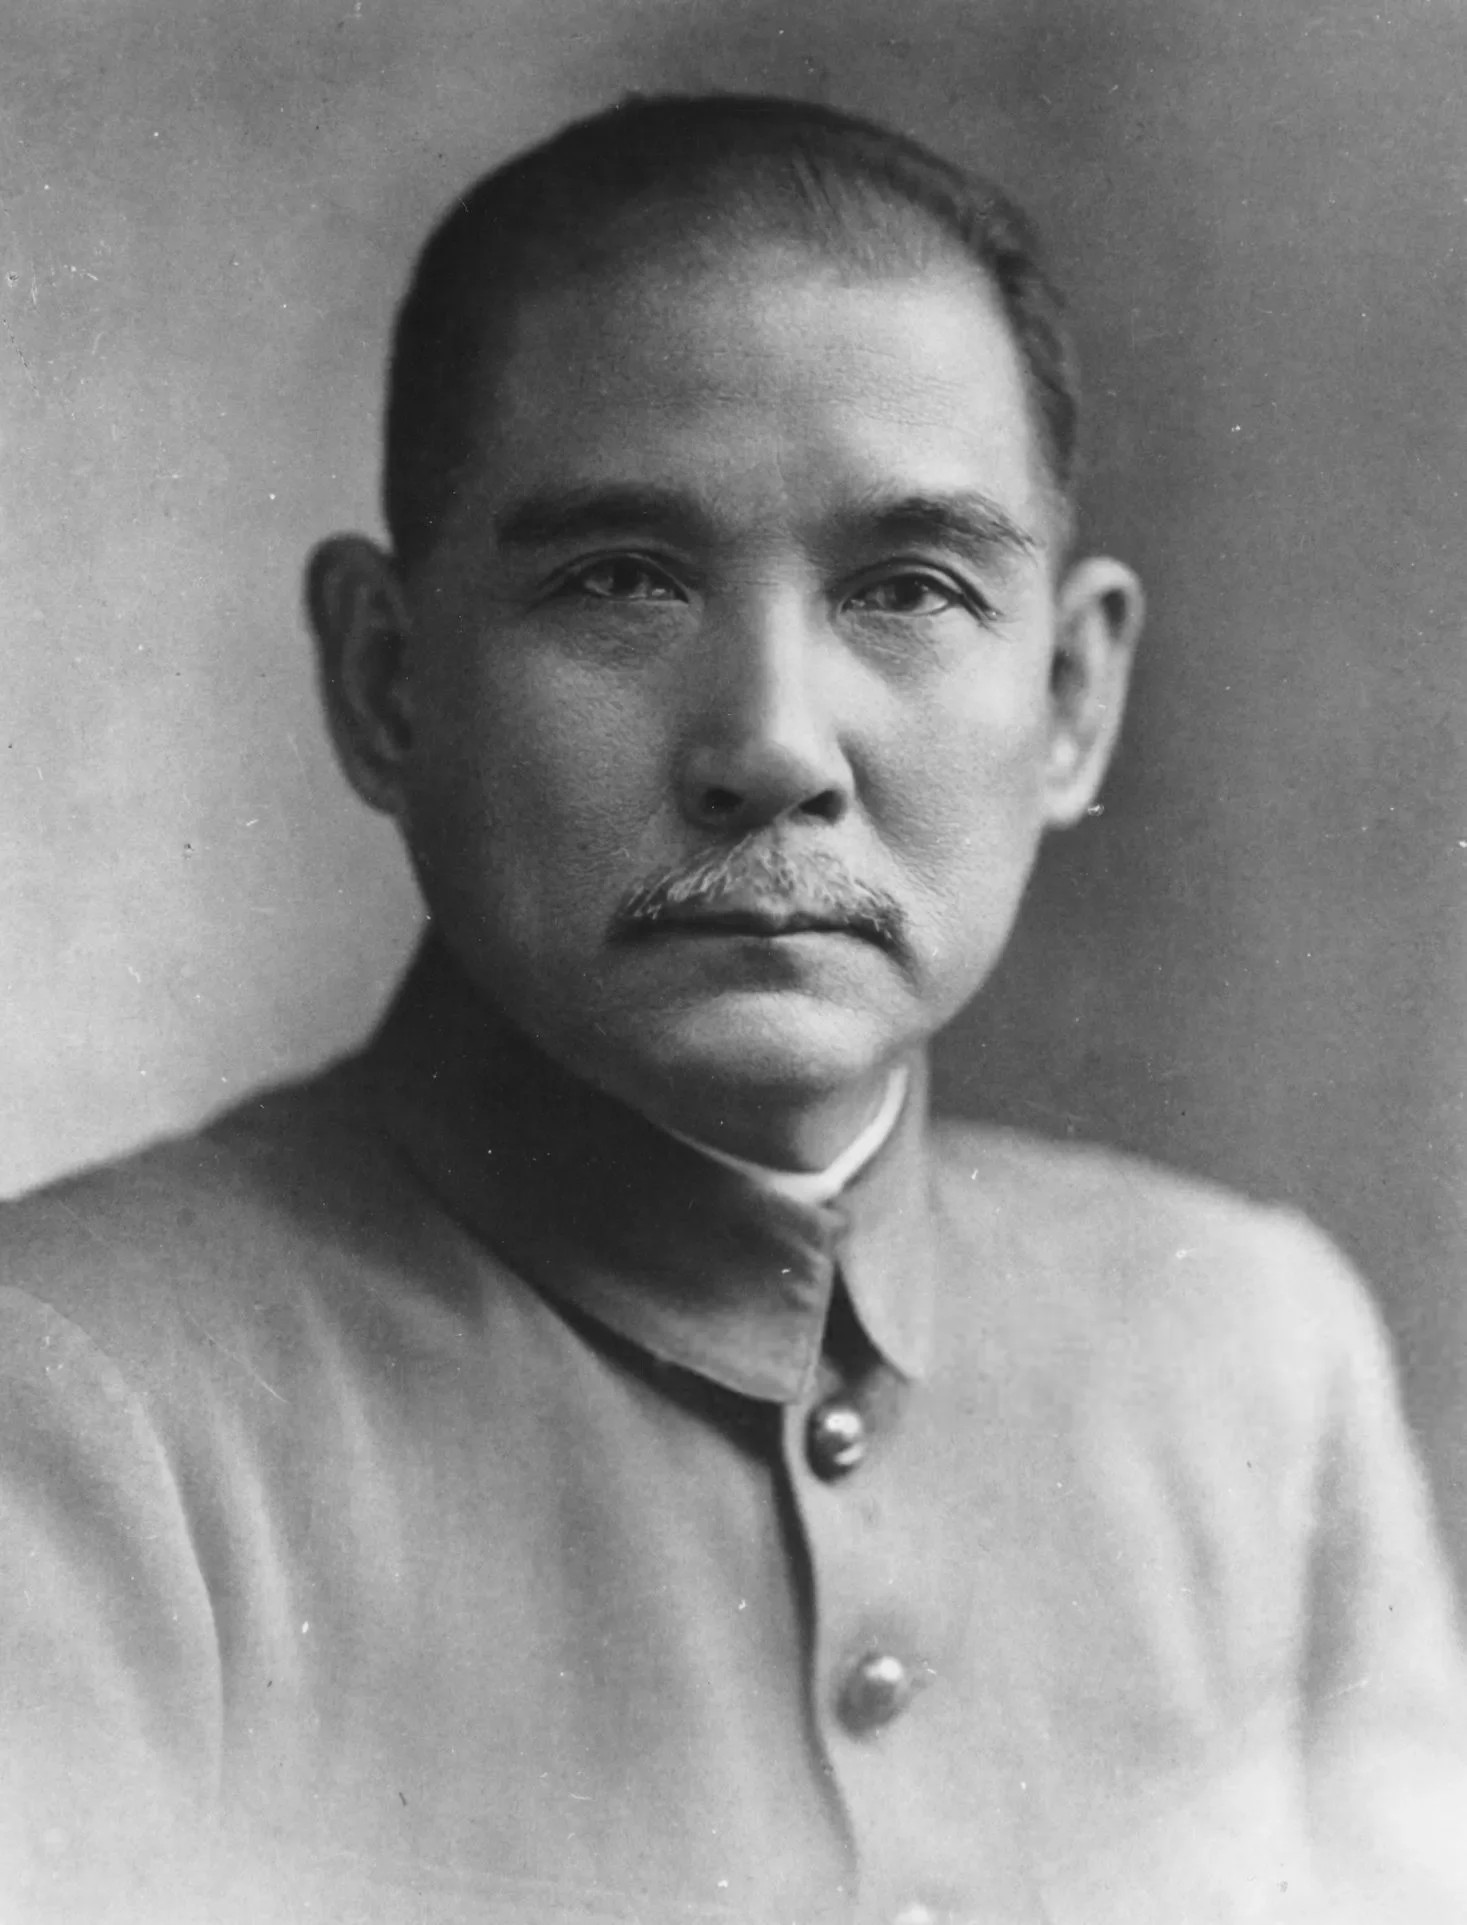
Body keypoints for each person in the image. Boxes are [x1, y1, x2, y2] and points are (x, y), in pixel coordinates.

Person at [1, 92, 1464, 1925]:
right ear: (387, 683)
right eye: (620, 582)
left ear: (1073, 698)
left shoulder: (1255, 1370)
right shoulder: (75, 1421)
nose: (771, 746)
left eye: (910, 587)